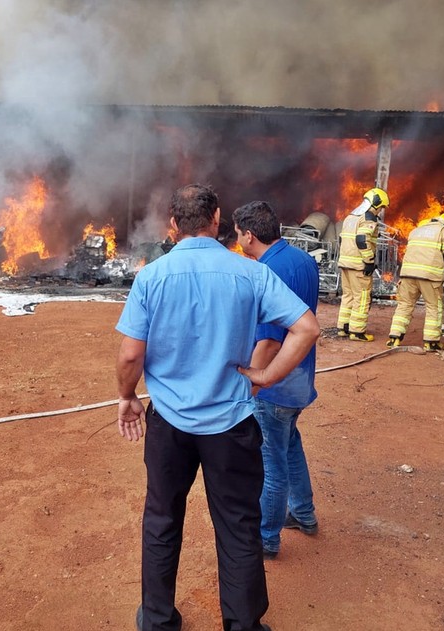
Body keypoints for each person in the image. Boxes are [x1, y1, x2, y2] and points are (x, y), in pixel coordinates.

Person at [116, 184, 320, 631]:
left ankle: (157, 620)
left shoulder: (152, 276)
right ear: (216, 219)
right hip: (231, 424)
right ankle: (243, 624)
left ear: (173, 224)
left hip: (170, 424)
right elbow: (306, 328)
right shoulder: (250, 273)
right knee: (239, 525)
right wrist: (267, 376)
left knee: (162, 520)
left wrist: (128, 396)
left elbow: (131, 355)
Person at [233, 201, 320, 561]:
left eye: (237, 234)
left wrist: (253, 382)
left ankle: (266, 538)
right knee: (290, 445)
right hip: (299, 379)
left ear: (248, 235)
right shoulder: (303, 260)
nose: (237, 240)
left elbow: (269, 341)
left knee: (270, 462)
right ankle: (303, 513)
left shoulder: (267, 272)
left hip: (276, 385)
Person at [387, 214, 444, 351]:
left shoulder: (417, 230)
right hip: (430, 276)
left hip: (408, 274)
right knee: (434, 307)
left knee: (405, 305)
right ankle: (431, 342)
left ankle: (395, 337)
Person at [337, 187, 388, 342]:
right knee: (362, 297)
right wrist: (369, 261)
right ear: (376, 203)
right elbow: (362, 240)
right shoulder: (368, 218)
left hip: (345, 263)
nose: (380, 211)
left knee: (348, 295)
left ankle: (343, 327)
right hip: (359, 265)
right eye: (381, 207)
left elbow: (341, 239)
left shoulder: (350, 217)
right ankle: (357, 332)